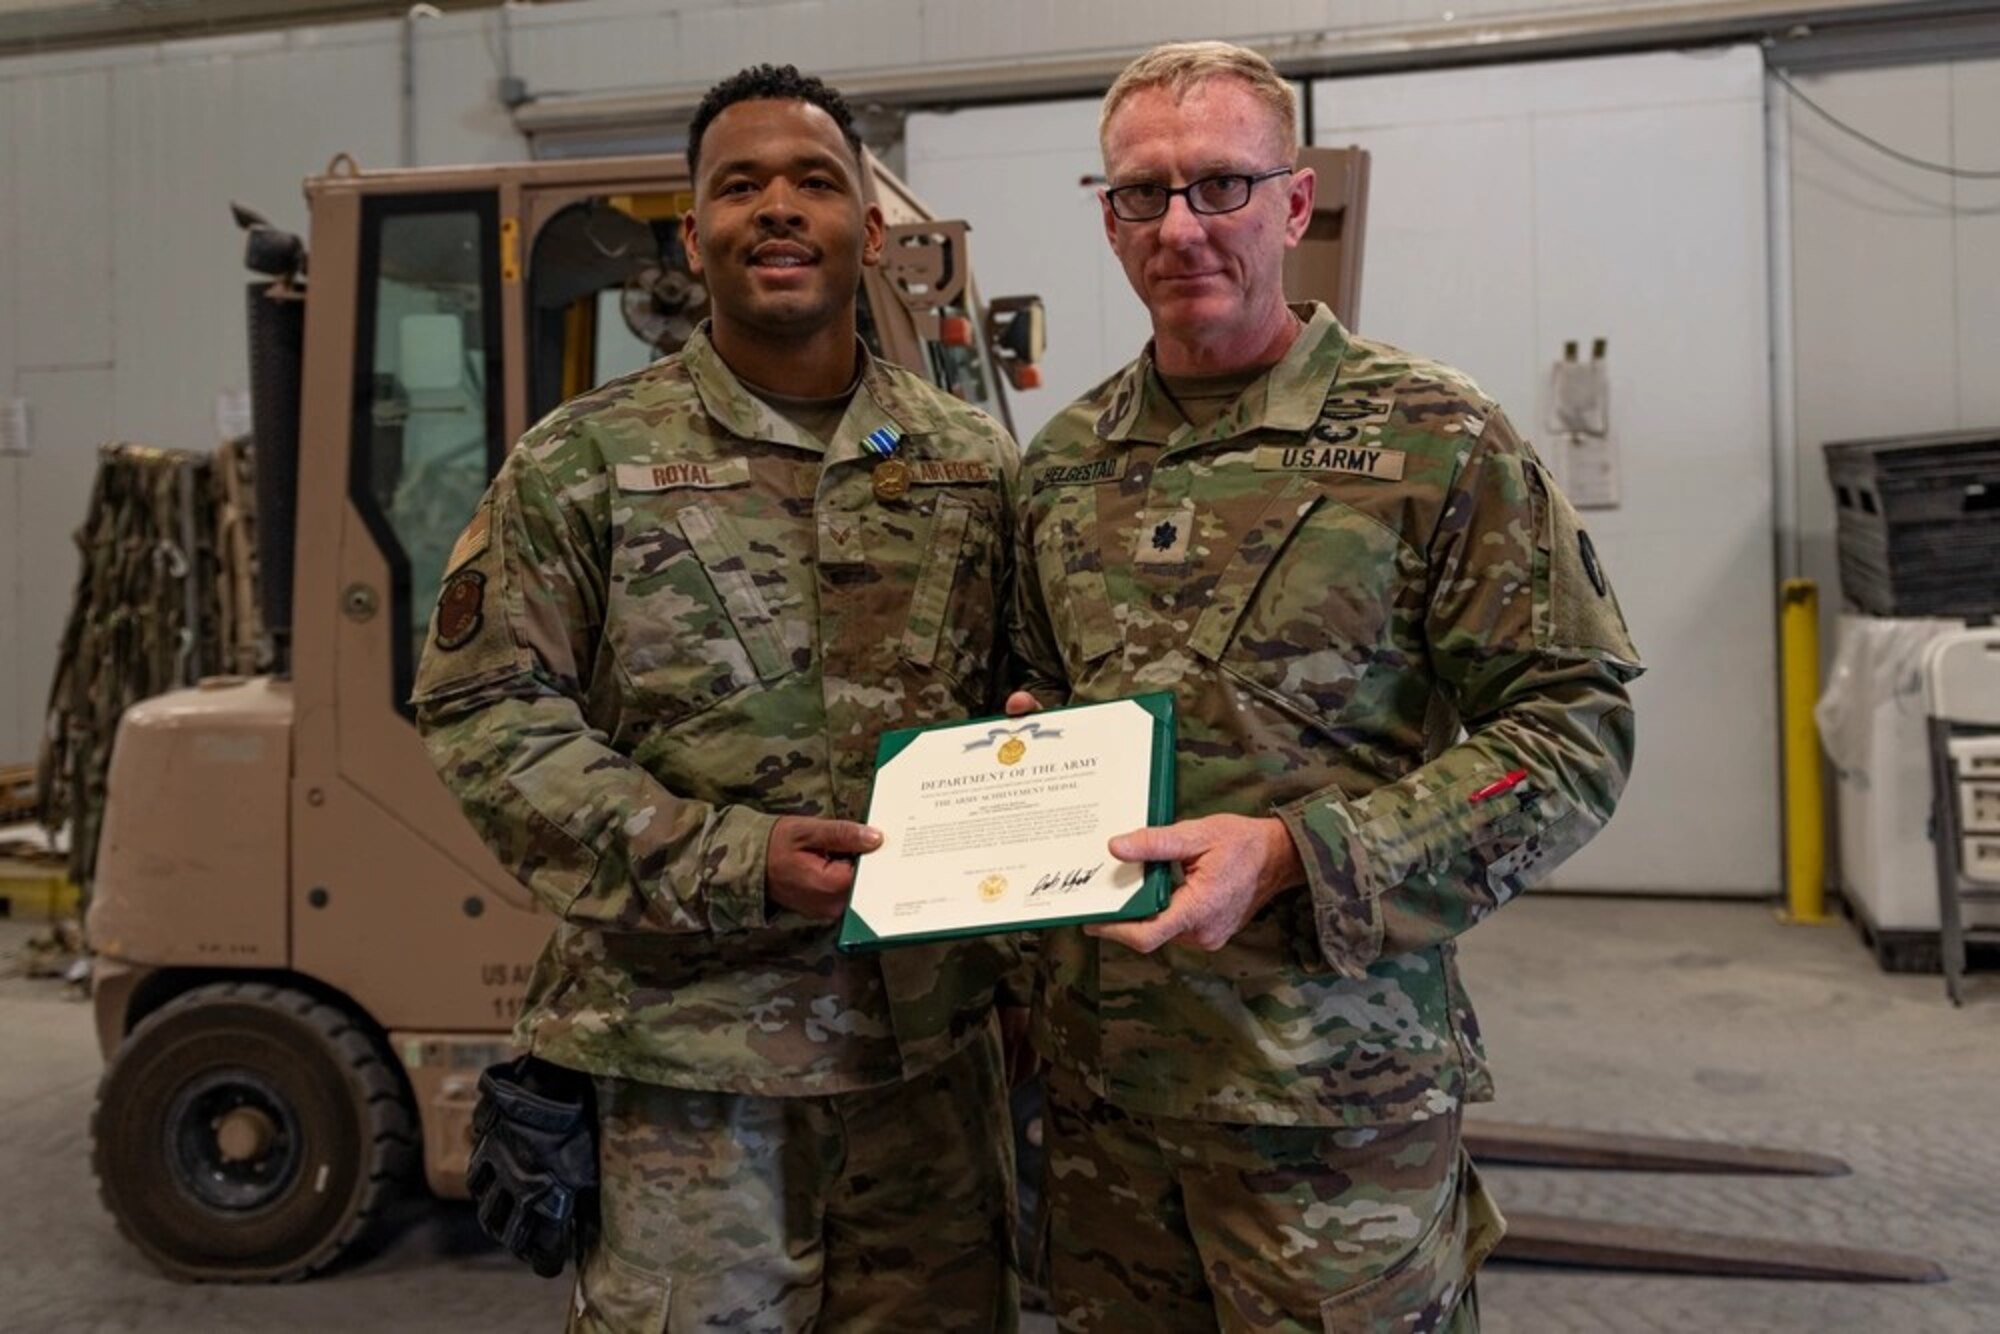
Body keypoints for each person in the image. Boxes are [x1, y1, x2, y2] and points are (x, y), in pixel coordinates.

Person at [1008, 40, 1643, 1332]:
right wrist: (1022, 754)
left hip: (1336, 1106)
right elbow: (1031, 694)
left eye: (1221, 185)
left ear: (1294, 204)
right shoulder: (1065, 462)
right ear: (1108, 218)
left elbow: (1572, 730)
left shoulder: (1433, 439)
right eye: (1142, 193)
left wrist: (1301, 855)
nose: (1181, 226)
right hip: (1104, 1108)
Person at [414, 64, 1024, 1332]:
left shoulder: (969, 462)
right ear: (693, 239)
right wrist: (733, 859)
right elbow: (487, 713)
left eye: (814, 182)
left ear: (870, 228)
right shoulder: (585, 461)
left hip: (925, 1071)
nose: (778, 207)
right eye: (738, 187)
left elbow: (1033, 698)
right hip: (687, 1080)